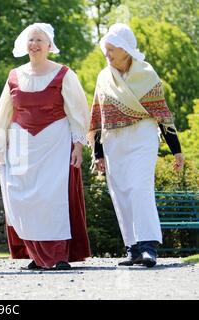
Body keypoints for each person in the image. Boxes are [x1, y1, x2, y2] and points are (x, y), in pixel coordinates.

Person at [0, 23, 91, 270]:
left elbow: (78, 111)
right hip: (21, 145)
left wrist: (78, 145)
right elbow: (4, 113)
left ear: (49, 46)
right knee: (23, 198)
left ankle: (57, 255)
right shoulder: (15, 75)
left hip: (54, 143)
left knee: (52, 199)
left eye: (39, 40)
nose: (34, 44)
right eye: (31, 40)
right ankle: (35, 254)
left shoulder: (64, 74)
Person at [88, 23, 185, 267]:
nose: (107, 54)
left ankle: (148, 245)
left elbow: (163, 115)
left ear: (125, 50)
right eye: (106, 49)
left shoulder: (147, 74)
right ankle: (132, 248)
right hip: (113, 142)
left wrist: (177, 152)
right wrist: (97, 153)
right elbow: (97, 118)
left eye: (111, 49)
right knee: (120, 192)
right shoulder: (103, 77)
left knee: (140, 189)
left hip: (142, 136)